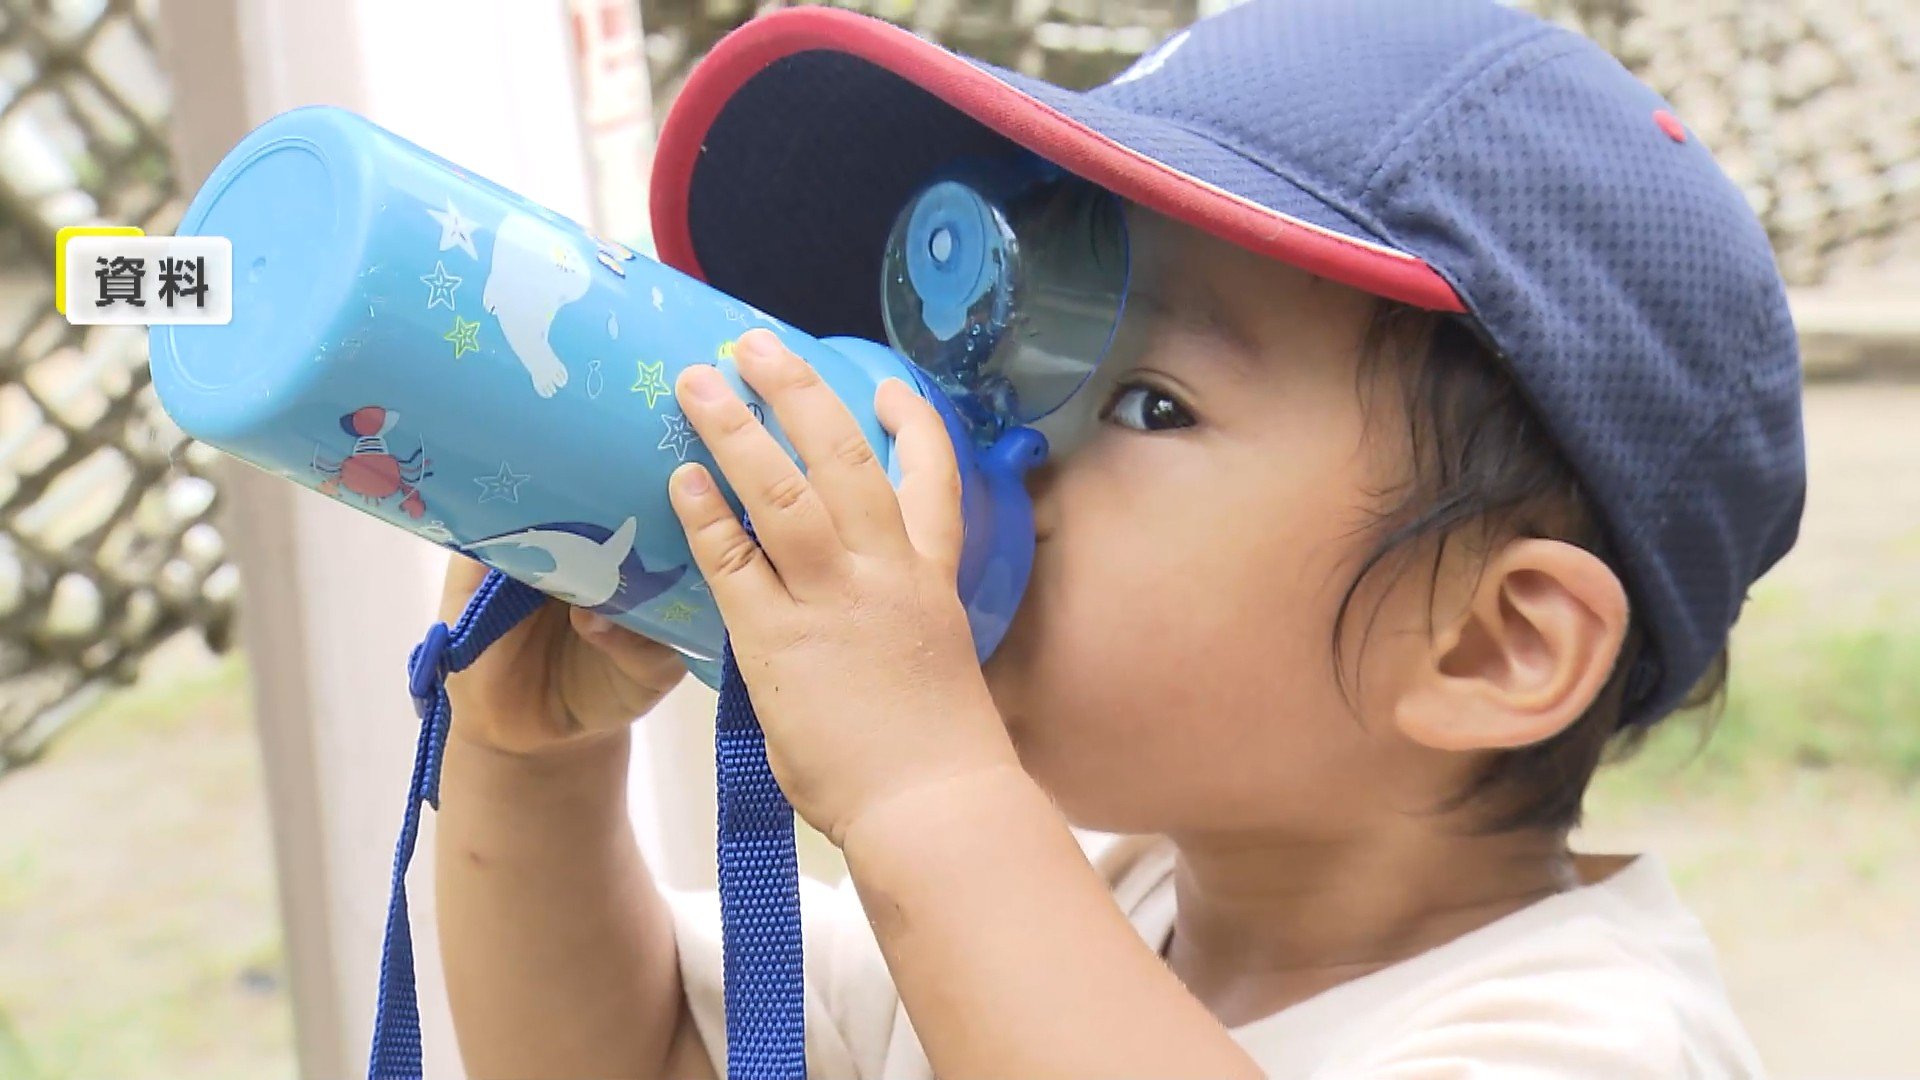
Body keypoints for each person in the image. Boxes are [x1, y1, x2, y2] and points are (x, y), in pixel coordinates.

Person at [433, 0, 1803, 1075]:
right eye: (1000, 361)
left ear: (1488, 645)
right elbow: (636, 1056)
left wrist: (924, 797)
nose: (977, 441)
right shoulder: (1074, 918)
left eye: (1150, 402)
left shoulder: (1593, 1040)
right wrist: (530, 770)